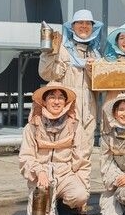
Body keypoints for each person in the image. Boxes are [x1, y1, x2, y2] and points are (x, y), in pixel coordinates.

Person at [19, 82, 90, 215]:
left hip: (65, 176)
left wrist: (83, 187)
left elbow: (82, 161)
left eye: (61, 97)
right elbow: (25, 158)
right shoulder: (32, 126)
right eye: (52, 97)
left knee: (80, 194)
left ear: (66, 102)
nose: (57, 101)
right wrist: (39, 171)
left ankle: (64, 207)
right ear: (44, 101)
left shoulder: (75, 126)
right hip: (42, 179)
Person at [39, 9, 103, 155]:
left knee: (84, 156)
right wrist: (47, 53)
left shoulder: (96, 52)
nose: (84, 26)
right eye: (80, 22)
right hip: (64, 112)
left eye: (88, 23)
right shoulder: (61, 48)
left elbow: (100, 87)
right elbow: (46, 74)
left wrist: (93, 71)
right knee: (62, 154)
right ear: (72, 26)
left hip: (88, 115)